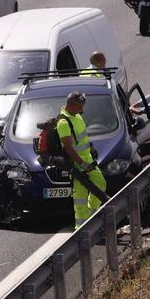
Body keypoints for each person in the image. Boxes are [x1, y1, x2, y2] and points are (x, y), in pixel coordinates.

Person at [58, 91, 107, 230]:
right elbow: (68, 148)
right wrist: (81, 164)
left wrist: (90, 147)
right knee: (80, 198)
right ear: (71, 105)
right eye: (80, 107)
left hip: (88, 159)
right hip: (77, 164)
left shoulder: (77, 116)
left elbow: (81, 137)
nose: (82, 110)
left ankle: (91, 215)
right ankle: (81, 229)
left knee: (101, 184)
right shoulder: (63, 123)